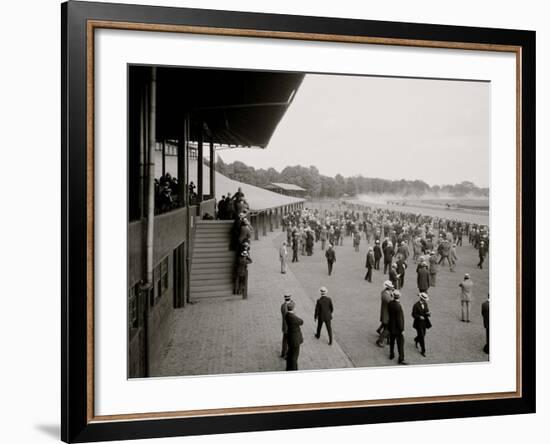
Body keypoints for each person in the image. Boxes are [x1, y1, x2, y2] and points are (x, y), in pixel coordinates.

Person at [388, 290, 407, 364]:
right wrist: (402, 329)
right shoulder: (398, 306)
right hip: (398, 329)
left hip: (391, 326)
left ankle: (391, 354)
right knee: (400, 343)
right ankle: (401, 358)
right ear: (399, 297)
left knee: (392, 341)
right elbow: (400, 319)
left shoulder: (390, 303)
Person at [285, 301, 304, 371]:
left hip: (290, 338)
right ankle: (294, 369)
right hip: (295, 339)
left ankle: (288, 367)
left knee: (290, 353)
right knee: (295, 356)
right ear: (293, 308)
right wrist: (295, 314)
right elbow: (301, 322)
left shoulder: (287, 315)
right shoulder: (293, 317)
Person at [412, 292, 432, 357]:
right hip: (418, 323)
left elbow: (426, 311)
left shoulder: (425, 304)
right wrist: (419, 317)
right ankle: (423, 350)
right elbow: (413, 314)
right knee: (422, 336)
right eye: (423, 299)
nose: (424, 301)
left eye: (425, 300)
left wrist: (428, 313)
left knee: (423, 334)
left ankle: (416, 339)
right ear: (421, 298)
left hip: (424, 322)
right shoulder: (416, 305)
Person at [376, 281, 394, 347]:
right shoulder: (386, 296)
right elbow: (391, 302)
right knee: (387, 328)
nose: (392, 288)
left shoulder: (385, 293)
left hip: (386, 313)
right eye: (391, 287)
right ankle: (380, 340)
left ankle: (387, 338)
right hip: (386, 314)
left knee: (385, 325)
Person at [280, 294, 292, 358]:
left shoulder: (283, 306)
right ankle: (287, 353)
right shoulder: (292, 306)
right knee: (289, 341)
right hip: (290, 327)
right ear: (290, 298)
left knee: (284, 340)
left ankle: (283, 353)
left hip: (285, 326)